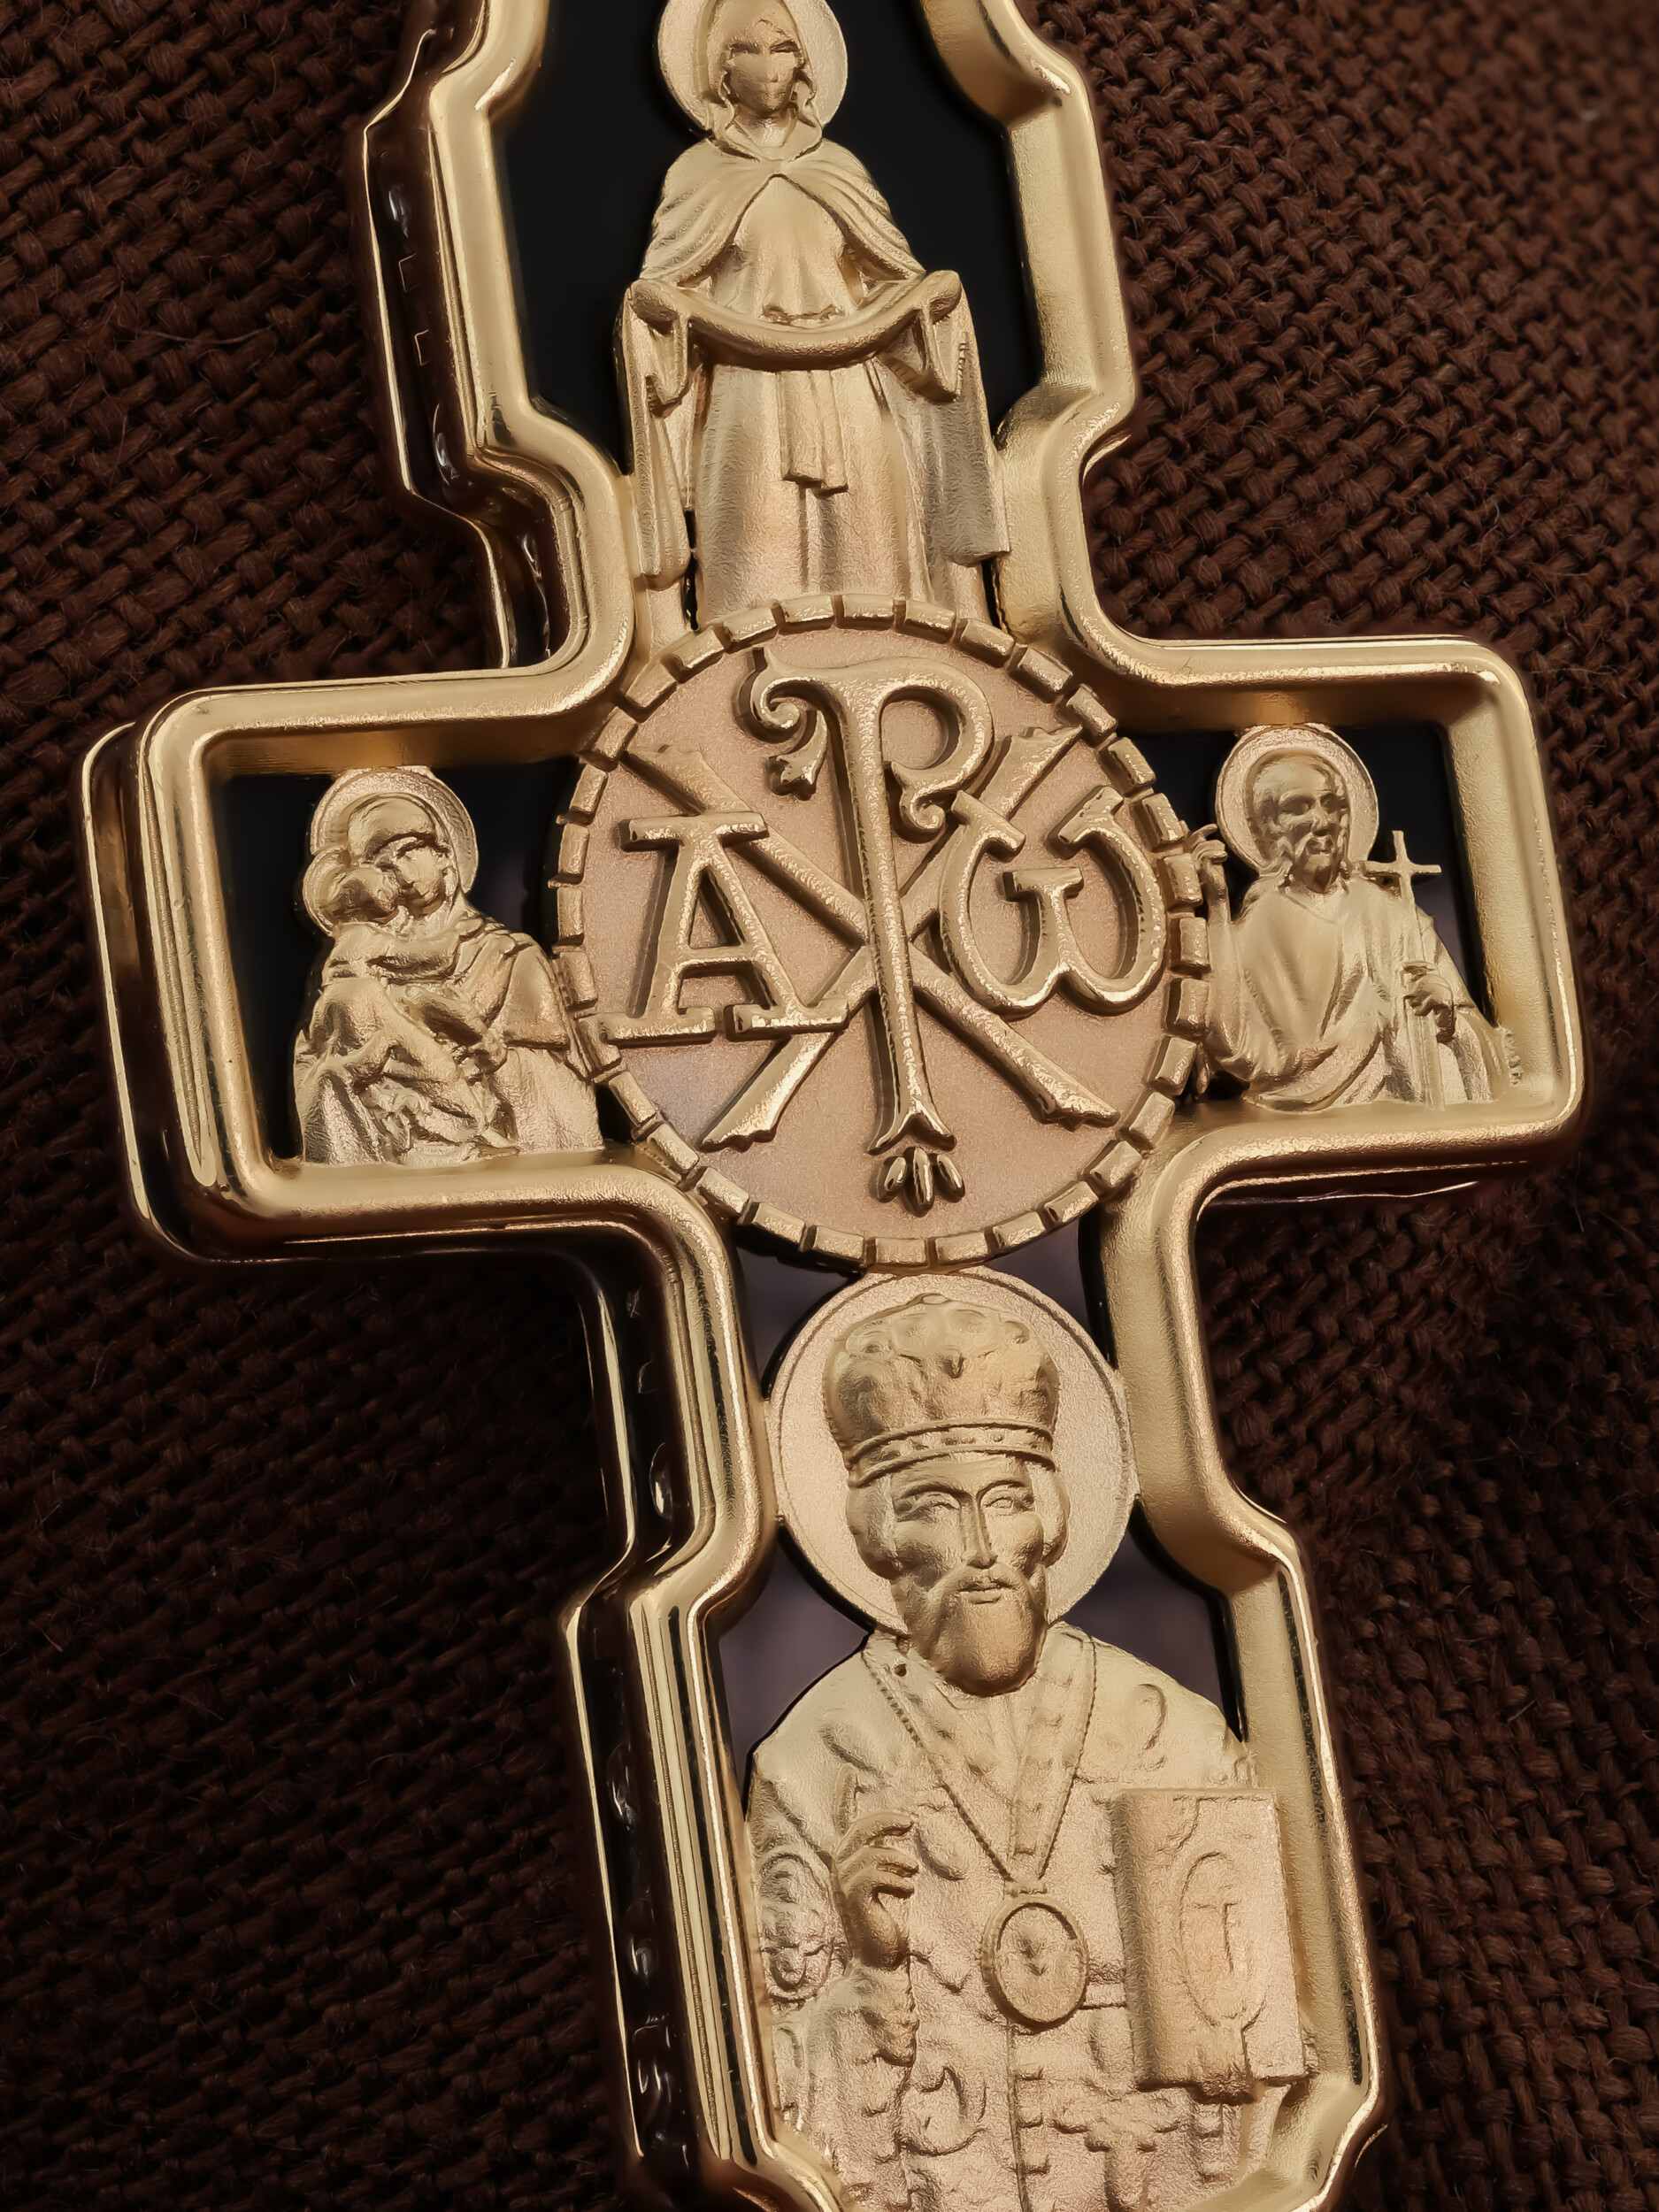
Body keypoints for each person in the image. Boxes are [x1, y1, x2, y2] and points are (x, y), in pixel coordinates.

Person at [745, 1294, 1297, 2212]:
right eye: (933, 1508)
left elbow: (1263, 2058)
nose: (979, 1551)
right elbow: (776, 2094)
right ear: (878, 1537)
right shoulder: (814, 1764)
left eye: (1003, 1502)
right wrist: (871, 1968)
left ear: (1047, 1518)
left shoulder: (1172, 1732)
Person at [622, 0, 1007, 625]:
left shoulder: (838, 167)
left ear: (803, 63)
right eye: (748, 50)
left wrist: (926, 296)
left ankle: (893, 654)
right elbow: (660, 287)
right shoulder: (698, 173)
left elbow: (897, 275)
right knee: (753, 546)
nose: (768, 66)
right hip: (749, 392)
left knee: (874, 543)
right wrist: (667, 305)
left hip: (852, 387)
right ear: (722, 71)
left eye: (782, 49)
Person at [293, 769, 600, 1165]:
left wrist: (481, 1042)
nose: (400, 873)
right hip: (387, 1153)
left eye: (408, 852)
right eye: (384, 866)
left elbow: (563, 1096)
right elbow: (320, 1059)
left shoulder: (509, 956)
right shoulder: (365, 949)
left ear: (444, 855)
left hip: (494, 1159)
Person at [1195, 727, 1511, 1109]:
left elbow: (1476, 1034)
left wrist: (1445, 1015)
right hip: (1294, 1117)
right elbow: (1231, 1042)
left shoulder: (1394, 917)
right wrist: (1217, 905)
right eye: (1300, 807)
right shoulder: (1255, 929)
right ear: (1269, 827)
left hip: (1402, 1115)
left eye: (1332, 805)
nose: (1323, 821)